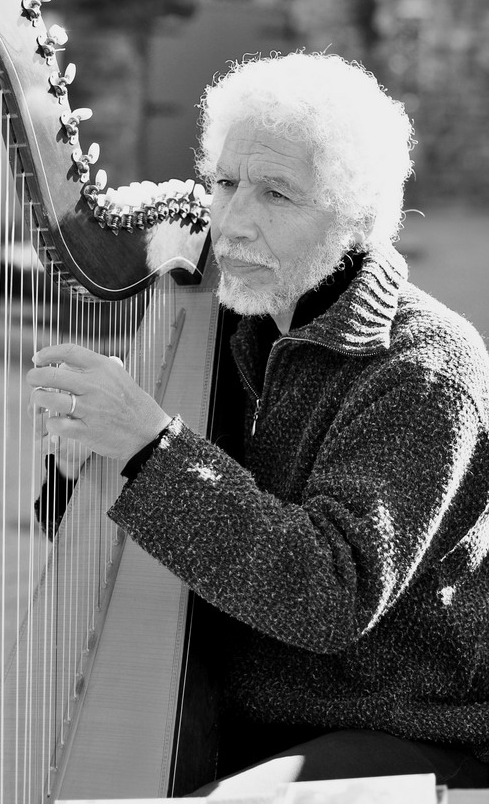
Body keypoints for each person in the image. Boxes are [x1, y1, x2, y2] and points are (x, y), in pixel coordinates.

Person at [26, 51, 489, 794]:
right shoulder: (232, 325)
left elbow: (329, 598)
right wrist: (78, 472)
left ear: (353, 217)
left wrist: (151, 449)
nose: (233, 222)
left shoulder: (426, 371)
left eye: (276, 194)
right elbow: (132, 538)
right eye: (226, 183)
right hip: (231, 710)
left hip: (396, 726)